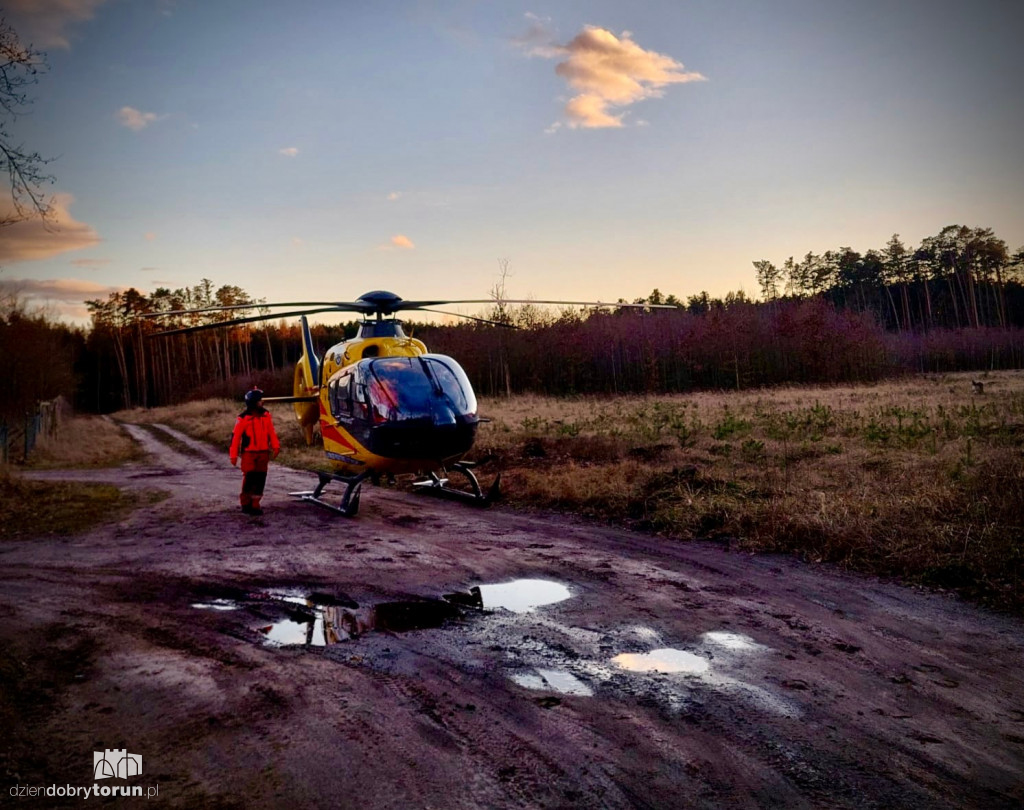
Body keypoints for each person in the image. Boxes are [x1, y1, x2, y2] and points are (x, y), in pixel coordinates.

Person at [230, 387, 280, 515]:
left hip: (263, 452)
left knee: (260, 478)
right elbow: (235, 438)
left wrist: (275, 446)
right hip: (249, 453)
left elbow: (271, 432)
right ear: (253, 402)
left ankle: (256, 503)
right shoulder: (243, 418)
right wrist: (233, 455)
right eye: (259, 401)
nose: (262, 403)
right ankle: (246, 503)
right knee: (250, 478)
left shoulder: (266, 415)